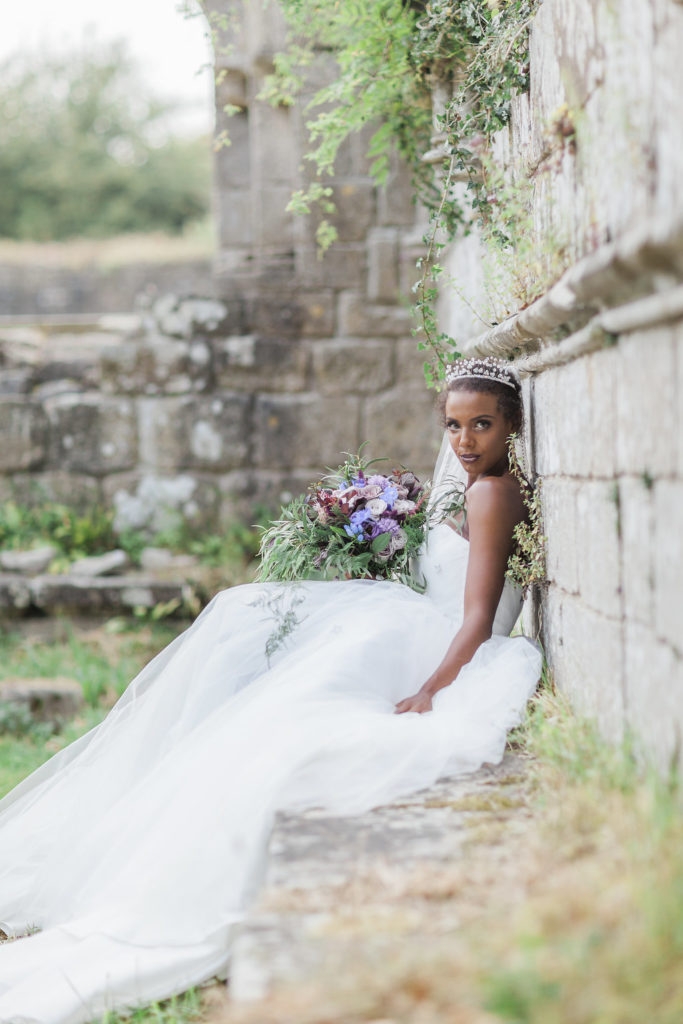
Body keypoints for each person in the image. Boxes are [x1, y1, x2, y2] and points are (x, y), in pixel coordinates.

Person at [0, 356, 541, 1024]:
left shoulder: (491, 492)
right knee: (260, 662)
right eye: (453, 425)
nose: (464, 442)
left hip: (444, 652)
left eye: (481, 425)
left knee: (279, 712)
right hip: (410, 631)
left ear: (510, 425)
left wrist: (429, 692)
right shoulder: (472, 484)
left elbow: (476, 621)